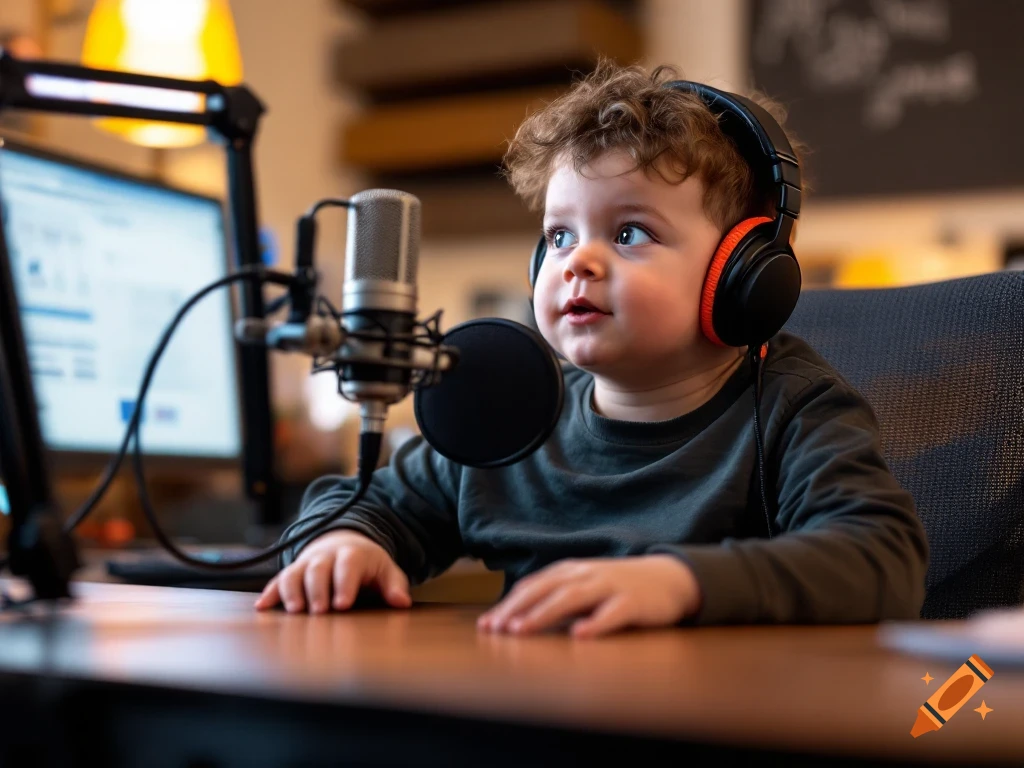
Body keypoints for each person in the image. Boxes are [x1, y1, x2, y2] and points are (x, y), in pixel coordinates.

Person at [255, 60, 928, 637]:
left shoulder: (792, 409)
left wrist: (681, 584)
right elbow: (370, 503)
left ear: (741, 274)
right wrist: (345, 543)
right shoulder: (513, 413)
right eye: (558, 237)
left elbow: (881, 558)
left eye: (631, 233)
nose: (579, 263)